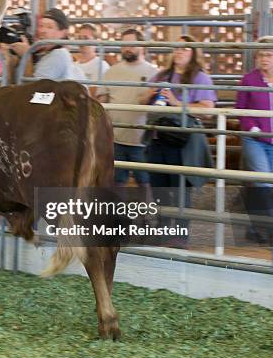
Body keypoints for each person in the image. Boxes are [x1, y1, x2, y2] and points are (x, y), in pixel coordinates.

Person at [140, 34, 217, 246]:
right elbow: (142, 100)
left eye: (184, 48)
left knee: (181, 188)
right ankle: (162, 231)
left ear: (193, 53)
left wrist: (175, 102)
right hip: (158, 138)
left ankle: (180, 235)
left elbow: (207, 109)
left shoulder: (200, 77)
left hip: (183, 141)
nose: (179, 52)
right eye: (176, 48)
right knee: (159, 188)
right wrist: (150, 96)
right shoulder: (162, 75)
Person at [235, 35, 273, 243]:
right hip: (255, 139)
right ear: (256, 57)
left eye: (270, 54)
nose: (265, 59)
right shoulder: (248, 80)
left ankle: (255, 228)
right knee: (264, 180)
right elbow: (241, 110)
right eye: (261, 55)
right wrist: (252, 128)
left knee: (267, 183)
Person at [96, 28, 157, 189]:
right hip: (116, 138)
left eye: (131, 44)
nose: (127, 48)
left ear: (142, 46)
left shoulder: (153, 73)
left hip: (142, 139)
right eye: (124, 44)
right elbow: (102, 100)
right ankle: (119, 214)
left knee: (145, 182)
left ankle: (149, 214)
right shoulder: (111, 72)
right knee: (117, 182)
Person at [7, 8, 77, 82]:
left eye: (49, 27)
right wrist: (10, 58)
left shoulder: (59, 54)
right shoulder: (42, 54)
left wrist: (26, 56)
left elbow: (34, 89)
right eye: (41, 26)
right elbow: (14, 83)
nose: (42, 31)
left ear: (63, 33)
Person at [73, 23, 110, 96]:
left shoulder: (101, 65)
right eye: (80, 38)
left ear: (96, 41)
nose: (82, 42)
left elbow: (94, 95)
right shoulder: (73, 65)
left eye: (86, 38)